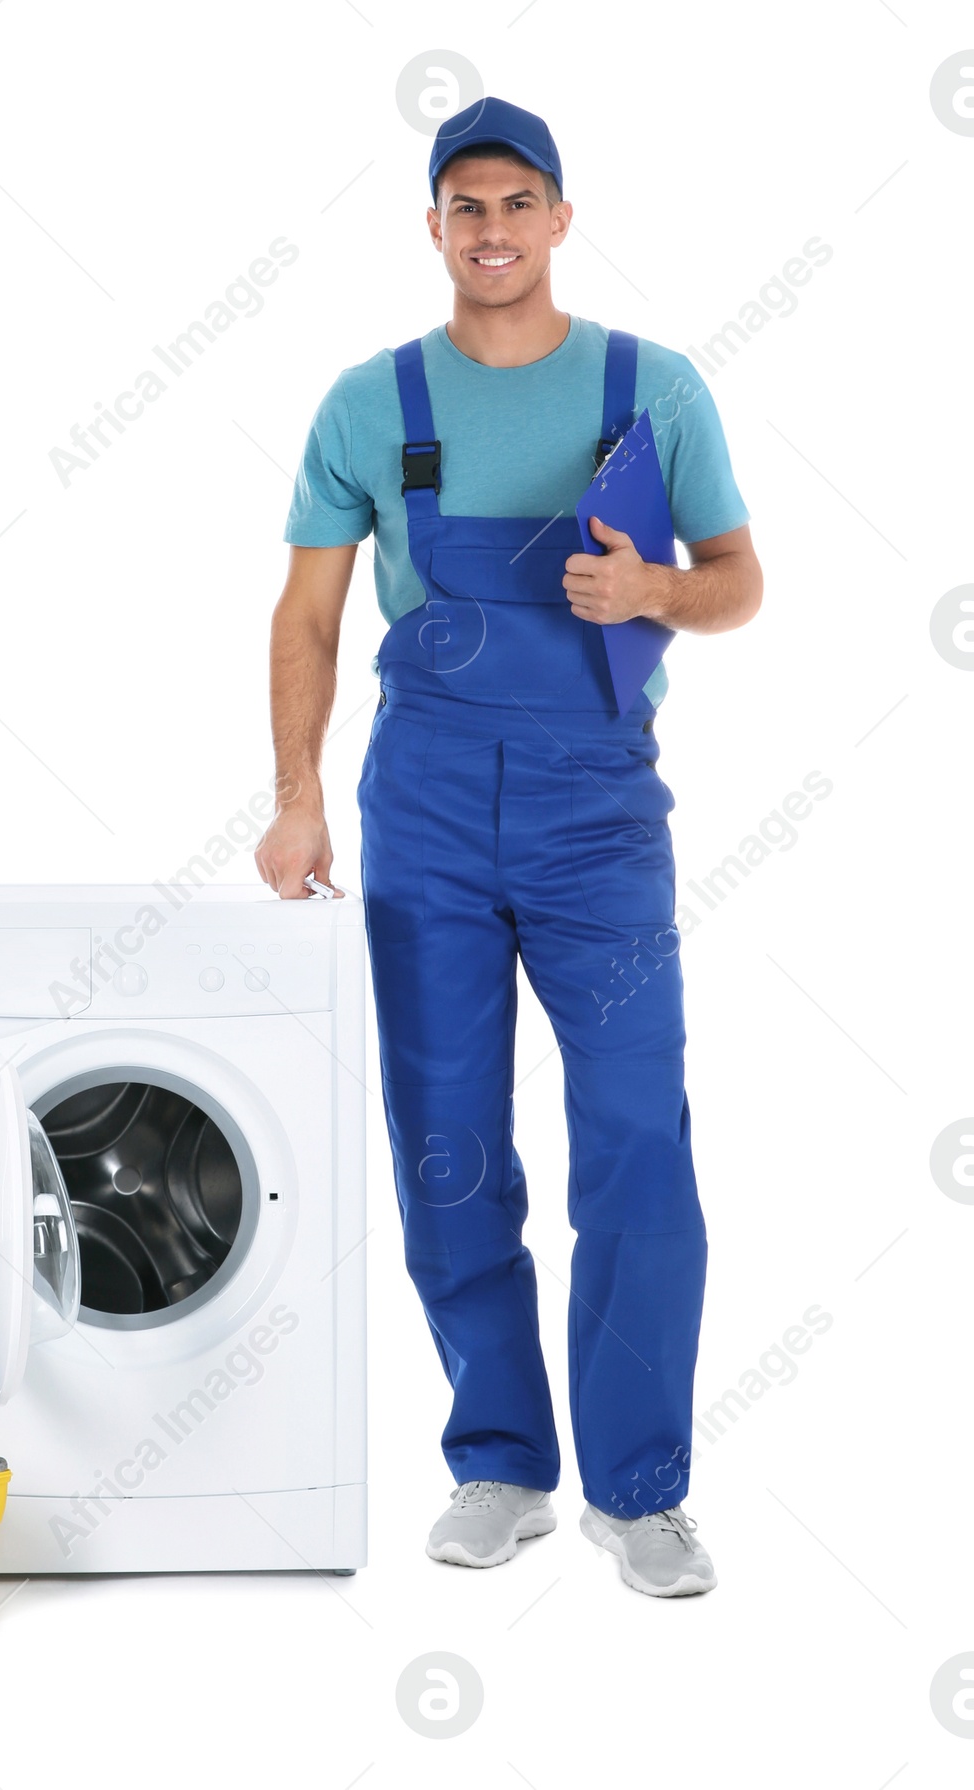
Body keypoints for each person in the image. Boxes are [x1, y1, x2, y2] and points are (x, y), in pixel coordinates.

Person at [255, 97, 761, 1598]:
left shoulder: (650, 386)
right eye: (464, 203)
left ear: (559, 217)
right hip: (422, 805)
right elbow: (306, 615)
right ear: (433, 227)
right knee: (449, 1142)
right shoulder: (369, 402)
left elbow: (741, 579)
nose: (491, 228)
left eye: (517, 201)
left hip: (598, 810)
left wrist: (657, 599)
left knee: (636, 1139)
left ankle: (641, 1488)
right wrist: (296, 794)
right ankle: (498, 1460)